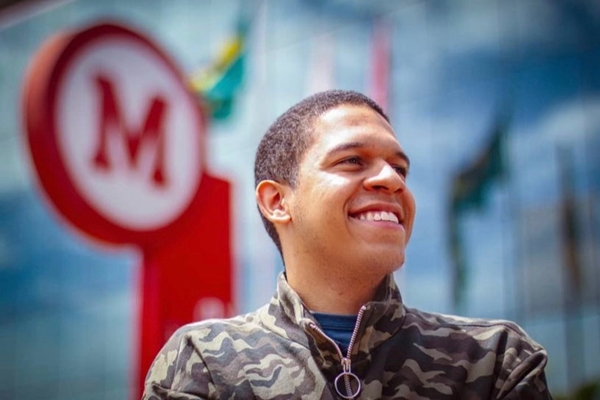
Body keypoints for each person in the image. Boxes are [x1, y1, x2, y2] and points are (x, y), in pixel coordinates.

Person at [142, 90, 552, 399]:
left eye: (400, 168)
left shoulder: (494, 358)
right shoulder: (204, 361)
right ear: (277, 202)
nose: (392, 180)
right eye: (352, 161)